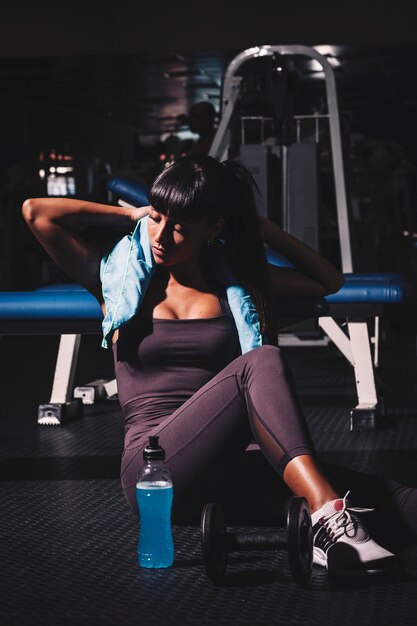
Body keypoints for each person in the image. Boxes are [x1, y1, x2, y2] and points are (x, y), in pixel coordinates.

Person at [22, 156, 416, 578]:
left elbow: (328, 281)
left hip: (231, 465)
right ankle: (328, 516)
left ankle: (331, 520)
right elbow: (36, 212)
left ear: (213, 230)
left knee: (395, 500)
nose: (161, 237)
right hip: (155, 472)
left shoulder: (236, 287)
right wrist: (134, 213)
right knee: (259, 361)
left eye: (180, 228)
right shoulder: (118, 281)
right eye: (157, 220)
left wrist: (263, 230)